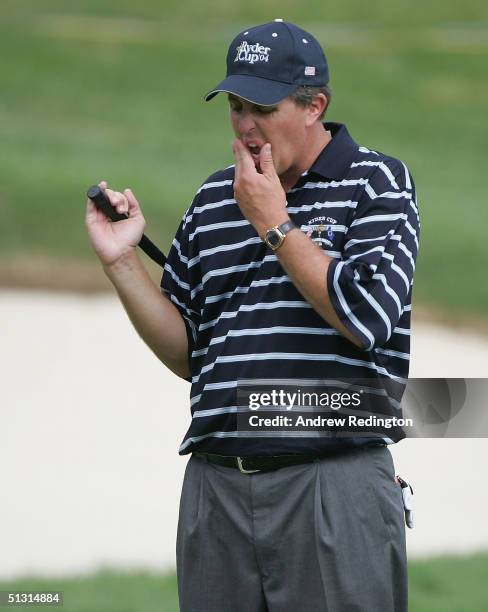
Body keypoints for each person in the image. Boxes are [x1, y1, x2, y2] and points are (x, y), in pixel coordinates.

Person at [86, 19, 419, 612]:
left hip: (329, 481)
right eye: (236, 106)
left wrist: (274, 221)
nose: (245, 125)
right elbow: (193, 354)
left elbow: (365, 316)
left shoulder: (376, 182)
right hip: (216, 489)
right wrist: (122, 264)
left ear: (314, 106)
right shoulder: (216, 199)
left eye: (262, 107)